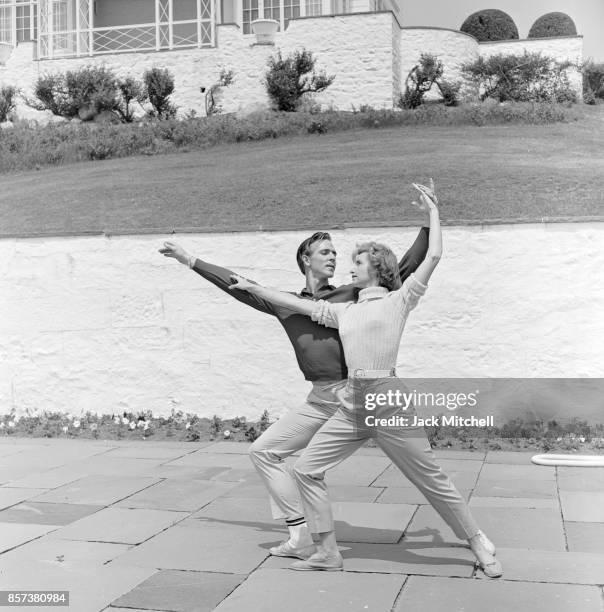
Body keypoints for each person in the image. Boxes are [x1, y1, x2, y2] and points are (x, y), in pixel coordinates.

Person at [228, 180, 503, 578]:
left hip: (388, 402)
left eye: (356, 263)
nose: (348, 267)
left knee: (429, 479)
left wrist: (433, 212)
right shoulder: (345, 312)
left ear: (375, 269)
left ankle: (476, 540)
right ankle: (326, 551)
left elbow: (435, 254)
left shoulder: (400, 300)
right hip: (352, 404)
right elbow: (298, 304)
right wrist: (255, 288)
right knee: (306, 469)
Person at [159, 220, 429, 560]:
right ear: (305, 259)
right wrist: (190, 259)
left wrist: (429, 225)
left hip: (355, 400)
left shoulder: (352, 294)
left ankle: (470, 532)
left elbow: (404, 266)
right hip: (319, 401)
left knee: (421, 472)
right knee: (264, 451)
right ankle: (300, 532)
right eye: (325, 252)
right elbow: (239, 286)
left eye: (335, 252)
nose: (333, 257)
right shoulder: (284, 303)